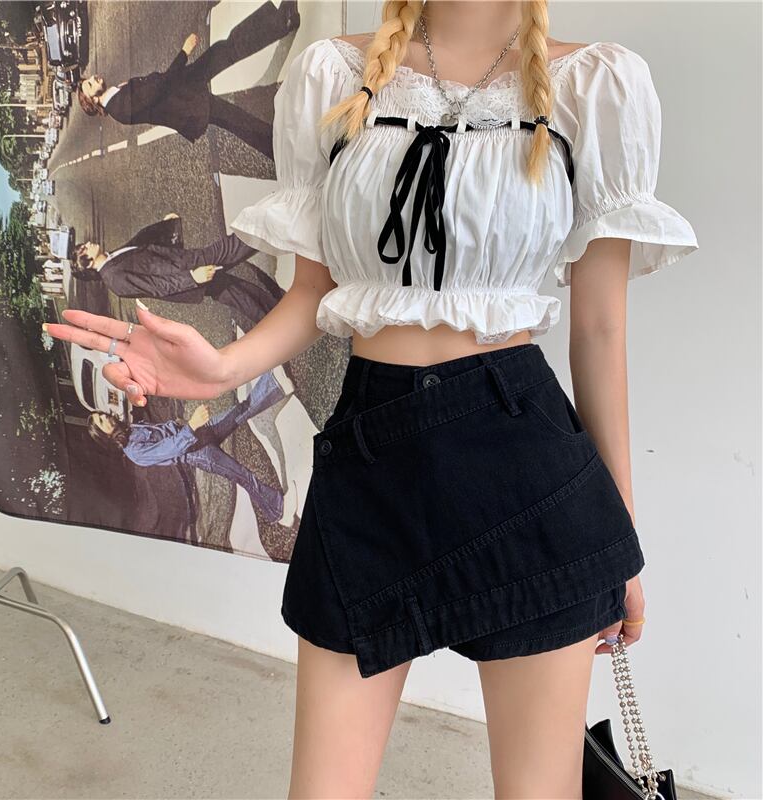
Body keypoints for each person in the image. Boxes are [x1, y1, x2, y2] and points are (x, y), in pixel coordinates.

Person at [44, 1, 699, 796]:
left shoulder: (595, 84)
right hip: (369, 455)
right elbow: (312, 293)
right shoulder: (333, 75)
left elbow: (599, 330)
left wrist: (620, 536)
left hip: (525, 467)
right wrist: (221, 368)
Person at [76, 0, 300, 154]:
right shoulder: (119, 107)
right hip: (189, 106)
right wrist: (184, 52)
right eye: (90, 84)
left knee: (224, 49)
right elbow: (160, 87)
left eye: (89, 79)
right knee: (240, 122)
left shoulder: (116, 96)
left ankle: (281, 21)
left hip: (185, 85)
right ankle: (288, 153)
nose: (94, 78)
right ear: (93, 101)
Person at [87, 370, 286, 524]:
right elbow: (170, 448)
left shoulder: (130, 429)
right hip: (198, 452)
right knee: (242, 475)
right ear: (104, 436)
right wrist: (191, 425)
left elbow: (164, 432)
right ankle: (275, 509)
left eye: (101, 414)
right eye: (101, 421)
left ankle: (273, 384)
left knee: (239, 411)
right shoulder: (134, 452)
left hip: (199, 433)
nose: (105, 416)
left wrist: (183, 424)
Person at [71, 215, 283, 329]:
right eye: (84, 249)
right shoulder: (115, 280)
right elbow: (158, 287)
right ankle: (278, 220)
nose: (88, 244)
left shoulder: (110, 259)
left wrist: (167, 227)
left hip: (183, 264)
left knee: (236, 293)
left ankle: (277, 319)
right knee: (232, 247)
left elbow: (141, 246)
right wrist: (193, 278)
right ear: (87, 264)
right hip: (187, 271)